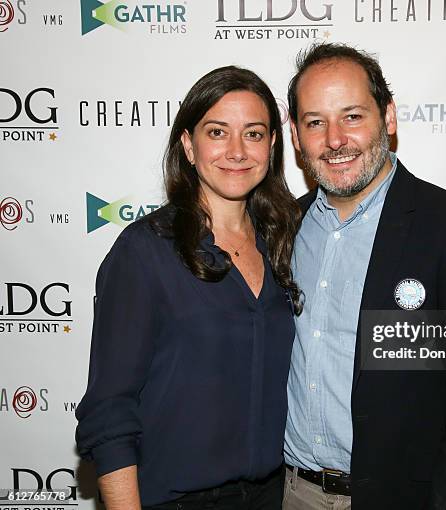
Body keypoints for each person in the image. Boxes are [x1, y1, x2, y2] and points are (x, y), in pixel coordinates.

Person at [282, 43, 446, 509]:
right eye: (315, 122)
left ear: (388, 117)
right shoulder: (283, 228)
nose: (334, 139)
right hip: (291, 494)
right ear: (295, 134)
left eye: (352, 116)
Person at [76, 66, 302, 510]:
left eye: (253, 134)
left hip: (273, 497)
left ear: (273, 146)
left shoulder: (286, 242)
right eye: (217, 132)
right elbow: (110, 409)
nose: (237, 151)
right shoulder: (146, 251)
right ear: (188, 144)